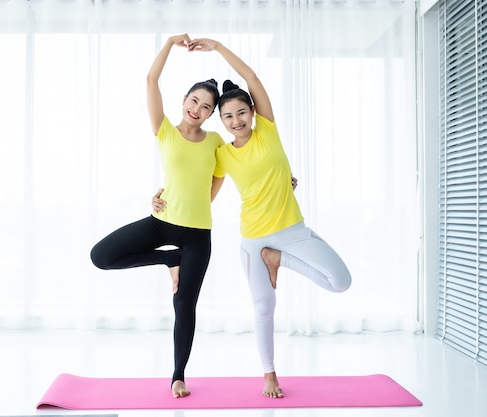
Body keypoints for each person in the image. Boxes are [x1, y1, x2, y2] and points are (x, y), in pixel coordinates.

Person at [153, 38, 352, 399]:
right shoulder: (222, 154)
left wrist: (216, 47)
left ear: (253, 112)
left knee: (340, 281)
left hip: (290, 232)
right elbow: (200, 189)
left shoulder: (268, 131)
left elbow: (252, 76)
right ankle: (270, 376)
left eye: (241, 113)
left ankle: (281, 260)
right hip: (254, 239)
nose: (235, 121)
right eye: (227, 116)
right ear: (221, 120)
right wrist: (163, 198)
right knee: (264, 307)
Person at [89, 33, 225, 398]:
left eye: (206, 107)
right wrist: (168, 44)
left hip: (198, 232)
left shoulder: (215, 142)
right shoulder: (165, 130)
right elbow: (151, 80)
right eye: (194, 101)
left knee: (184, 303)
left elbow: (221, 177)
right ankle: (168, 258)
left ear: (212, 114)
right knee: (101, 256)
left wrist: (200, 202)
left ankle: (178, 375)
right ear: (184, 101)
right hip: (163, 221)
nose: (197, 109)